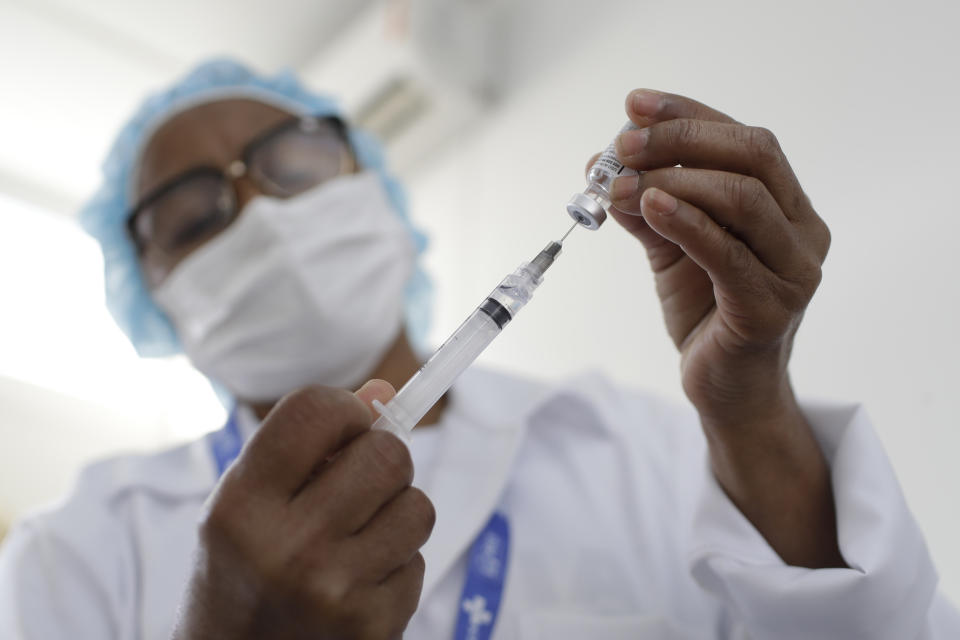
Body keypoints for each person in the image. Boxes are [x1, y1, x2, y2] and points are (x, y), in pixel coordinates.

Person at [0, 59, 957, 640]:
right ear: (152, 299)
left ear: (376, 189)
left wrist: (751, 406)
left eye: (292, 161)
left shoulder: (642, 454)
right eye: (193, 212)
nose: (259, 213)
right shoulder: (79, 549)